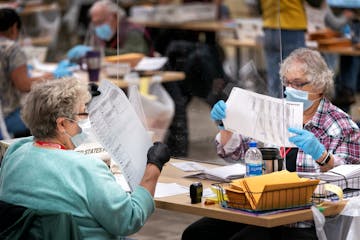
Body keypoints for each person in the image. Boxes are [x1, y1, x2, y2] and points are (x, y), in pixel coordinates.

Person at [182, 48, 360, 240]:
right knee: (196, 234)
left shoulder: (340, 125)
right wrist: (226, 126)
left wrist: (323, 157)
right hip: (263, 207)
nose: (290, 90)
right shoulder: (275, 111)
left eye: (298, 84)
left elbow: (351, 182)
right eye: (287, 82)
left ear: (320, 85)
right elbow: (238, 152)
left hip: (304, 219)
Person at [0, 77, 171, 239]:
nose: (85, 122)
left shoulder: (14, 154)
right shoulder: (87, 169)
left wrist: (82, 101)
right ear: (61, 124)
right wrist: (153, 166)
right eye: (82, 115)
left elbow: (38, 138)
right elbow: (130, 219)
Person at [0, 8, 69, 138]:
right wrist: (47, 77)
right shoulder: (12, 49)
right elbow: (24, 85)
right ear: (15, 28)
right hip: (6, 116)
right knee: (54, 116)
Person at [258, 0, 323, 98]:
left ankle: (275, 111)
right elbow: (316, 3)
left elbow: (258, 7)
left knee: (274, 81)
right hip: (292, 27)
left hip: (270, 27)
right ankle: (294, 111)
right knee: (296, 80)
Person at [67, 0, 153, 61]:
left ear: (115, 17)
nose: (97, 27)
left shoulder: (133, 31)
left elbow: (135, 55)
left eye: (100, 22)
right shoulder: (102, 35)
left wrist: (96, 51)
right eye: (95, 23)